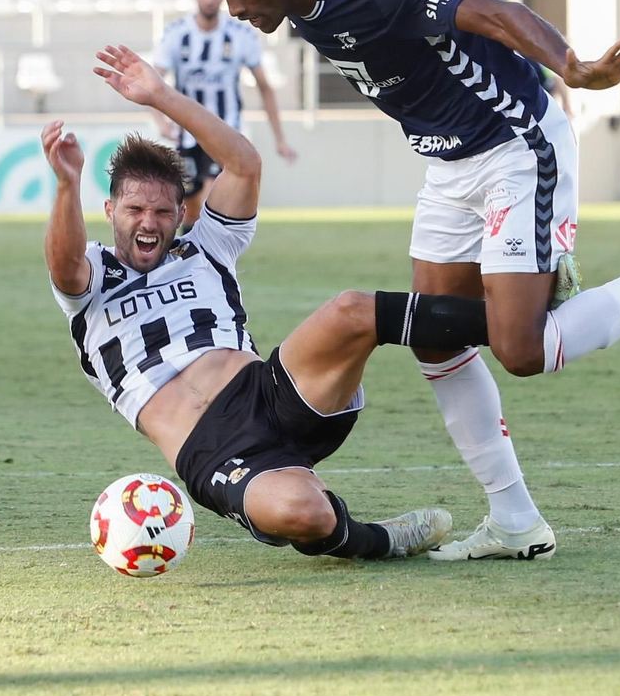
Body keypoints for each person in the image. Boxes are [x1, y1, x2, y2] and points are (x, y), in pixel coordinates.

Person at [70, 0, 620, 560]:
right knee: (433, 340)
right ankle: (515, 520)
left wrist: (572, 64)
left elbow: (493, 10)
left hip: (512, 144)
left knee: (522, 350)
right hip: (446, 162)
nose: (233, 7)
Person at [44, 43, 520, 561]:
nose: (148, 222)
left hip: (271, 391)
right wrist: (67, 184)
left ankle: (518, 324)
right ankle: (380, 538)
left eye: (162, 211)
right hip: (212, 449)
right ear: (111, 210)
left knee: (350, 310)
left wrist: (160, 94)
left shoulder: (207, 247)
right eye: (134, 209)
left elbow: (244, 165)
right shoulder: (92, 277)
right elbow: (64, 266)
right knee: (304, 514)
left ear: (181, 213)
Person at [153, 0, 297, 231]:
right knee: (191, 207)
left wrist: (280, 138)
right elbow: (154, 82)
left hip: (226, 130)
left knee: (213, 192)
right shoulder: (177, 34)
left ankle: (211, 261)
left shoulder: (240, 35)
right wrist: (161, 122)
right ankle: (193, 256)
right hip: (187, 134)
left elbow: (265, 86)